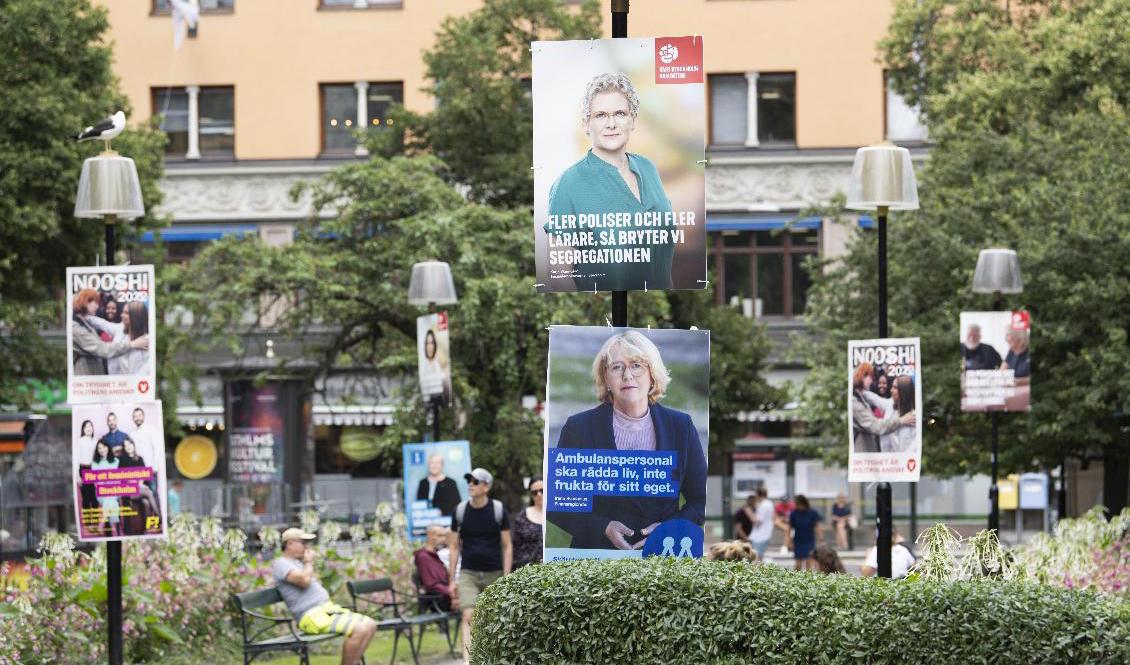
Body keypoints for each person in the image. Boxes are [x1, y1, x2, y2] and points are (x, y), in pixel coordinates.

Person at [549, 331, 707, 550]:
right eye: (616, 367)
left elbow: (701, 501)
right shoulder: (579, 428)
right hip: (594, 558)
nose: (627, 375)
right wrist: (602, 527)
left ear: (652, 374)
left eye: (636, 365)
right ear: (606, 378)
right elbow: (559, 504)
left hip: (662, 557)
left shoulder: (681, 427)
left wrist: (667, 529)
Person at [547, 72, 675, 291]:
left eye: (620, 113)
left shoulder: (649, 169)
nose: (611, 124)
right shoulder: (568, 185)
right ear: (586, 124)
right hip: (601, 317)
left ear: (633, 120)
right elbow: (560, 279)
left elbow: (664, 259)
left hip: (659, 315)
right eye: (600, 115)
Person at [271, 528, 377, 665]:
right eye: (303, 543)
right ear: (290, 544)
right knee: (359, 629)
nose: (307, 547)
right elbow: (304, 581)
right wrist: (309, 562)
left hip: (326, 610)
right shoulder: (281, 563)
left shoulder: (297, 563)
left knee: (370, 625)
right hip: (311, 616)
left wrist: (306, 563)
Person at [448, 468, 511, 664]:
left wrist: (506, 576)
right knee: (468, 615)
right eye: (469, 481)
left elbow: (507, 546)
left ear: (486, 487)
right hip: (468, 573)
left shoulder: (498, 510)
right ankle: (468, 661)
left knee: (494, 618)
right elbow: (453, 547)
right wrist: (451, 579)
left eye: (476, 482)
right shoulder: (460, 511)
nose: (471, 485)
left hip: (494, 573)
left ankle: (493, 658)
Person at [71, 288, 147, 376]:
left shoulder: (144, 339)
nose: (97, 306)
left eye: (126, 313)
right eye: (95, 303)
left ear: (135, 316)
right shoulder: (77, 327)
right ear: (86, 302)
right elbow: (103, 349)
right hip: (88, 376)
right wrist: (132, 344)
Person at [852, 361, 915, 452]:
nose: (891, 390)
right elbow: (875, 399)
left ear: (903, 391)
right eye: (869, 377)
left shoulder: (912, 416)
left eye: (895, 387)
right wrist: (859, 389)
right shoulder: (889, 404)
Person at [85, 301, 149, 375]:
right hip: (115, 381)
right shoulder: (120, 329)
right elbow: (103, 324)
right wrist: (85, 317)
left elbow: (145, 371)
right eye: (122, 312)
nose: (121, 315)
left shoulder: (146, 341)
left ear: (135, 316)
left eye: (126, 313)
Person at [413, 525, 454, 611]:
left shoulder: (435, 555)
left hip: (446, 596)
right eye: (440, 535)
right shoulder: (423, 556)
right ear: (430, 536)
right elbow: (431, 585)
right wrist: (451, 592)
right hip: (438, 600)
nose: (443, 539)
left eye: (444, 536)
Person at [118, 437, 159, 518]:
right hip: (129, 490)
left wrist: (140, 484)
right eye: (126, 446)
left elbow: (143, 475)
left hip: (140, 489)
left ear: (133, 445)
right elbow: (122, 478)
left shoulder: (140, 459)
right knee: (149, 493)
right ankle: (159, 517)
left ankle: (147, 527)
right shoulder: (122, 460)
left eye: (130, 444)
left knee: (146, 502)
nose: (128, 447)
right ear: (124, 448)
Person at [511, 476, 545, 570]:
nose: (539, 494)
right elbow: (516, 547)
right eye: (534, 492)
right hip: (528, 572)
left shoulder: (558, 515)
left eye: (542, 490)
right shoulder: (522, 517)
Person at [416, 452, 461, 517]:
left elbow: (456, 506)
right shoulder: (423, 483)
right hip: (425, 521)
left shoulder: (451, 483)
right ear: (428, 465)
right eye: (432, 463)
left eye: (437, 463)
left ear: (442, 465)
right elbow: (419, 504)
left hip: (446, 522)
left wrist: (441, 511)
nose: (434, 466)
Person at [90, 440, 121, 537]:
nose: (102, 450)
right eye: (99, 448)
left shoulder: (116, 461)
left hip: (115, 490)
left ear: (108, 448)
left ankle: (101, 525)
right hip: (101, 491)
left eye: (104, 447)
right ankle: (114, 530)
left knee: (111, 497)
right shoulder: (95, 463)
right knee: (112, 501)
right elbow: (96, 481)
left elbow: (119, 478)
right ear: (97, 450)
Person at [787, 495, 824, 571]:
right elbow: (790, 528)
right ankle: (794, 580)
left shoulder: (812, 513)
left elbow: (817, 527)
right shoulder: (793, 514)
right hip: (798, 541)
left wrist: (821, 539)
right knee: (798, 564)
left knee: (809, 563)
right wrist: (789, 541)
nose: (796, 506)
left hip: (809, 541)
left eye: (798, 504)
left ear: (803, 503)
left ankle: (808, 581)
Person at [748, 487, 776, 560]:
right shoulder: (769, 503)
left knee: (757, 557)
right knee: (759, 557)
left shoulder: (764, 505)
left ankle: (757, 571)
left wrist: (749, 512)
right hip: (763, 534)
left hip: (760, 536)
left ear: (758, 495)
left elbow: (757, 522)